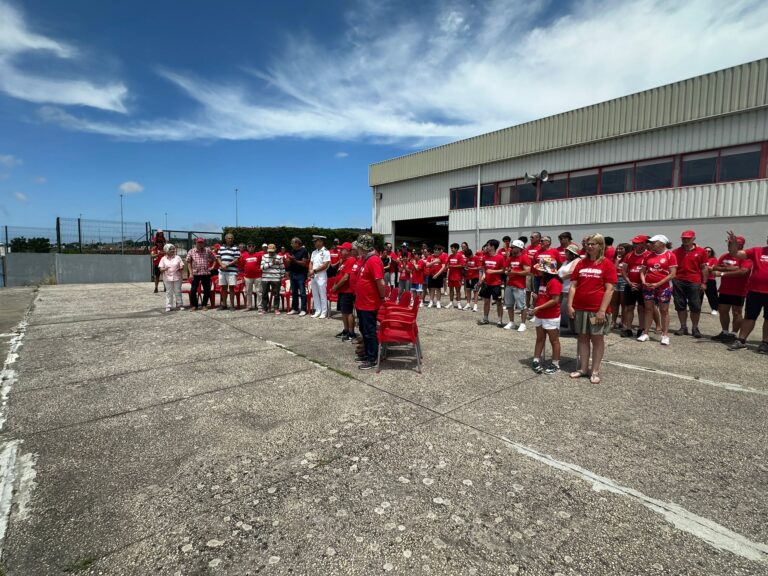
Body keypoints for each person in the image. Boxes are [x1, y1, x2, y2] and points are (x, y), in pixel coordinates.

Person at [567, 233, 617, 384]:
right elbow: (573, 286)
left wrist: (602, 310)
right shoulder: (581, 263)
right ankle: (583, 368)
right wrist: (569, 305)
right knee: (582, 338)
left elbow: (609, 289)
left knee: (597, 339)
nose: (589, 246)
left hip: (597, 309)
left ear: (600, 246)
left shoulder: (607, 264)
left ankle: (594, 370)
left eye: (593, 244)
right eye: (588, 244)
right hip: (580, 308)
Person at [726, 230, 768, 353]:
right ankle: (741, 341)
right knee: (750, 317)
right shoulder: (757, 251)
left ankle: (765, 343)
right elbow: (735, 254)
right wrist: (733, 243)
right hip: (755, 291)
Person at [353, 234, 386, 370]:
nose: (357, 249)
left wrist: (382, 298)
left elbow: (380, 282)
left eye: (359, 247)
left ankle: (372, 358)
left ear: (364, 247)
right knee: (364, 330)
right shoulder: (365, 259)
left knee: (369, 331)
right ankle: (368, 353)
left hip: (369, 303)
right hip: (362, 303)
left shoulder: (373, 260)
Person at [638, 235, 677, 345]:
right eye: (651, 242)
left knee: (664, 310)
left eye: (654, 242)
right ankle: (645, 333)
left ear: (662, 244)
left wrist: (657, 284)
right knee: (648, 309)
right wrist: (643, 281)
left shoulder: (670, 255)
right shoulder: (648, 255)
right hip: (648, 286)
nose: (652, 244)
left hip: (664, 287)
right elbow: (642, 271)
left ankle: (665, 335)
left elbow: (672, 274)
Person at [712, 235, 752, 342]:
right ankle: (725, 332)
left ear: (740, 245)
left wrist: (723, 272)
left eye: (731, 243)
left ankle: (733, 334)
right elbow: (715, 267)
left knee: (736, 312)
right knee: (723, 311)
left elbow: (742, 272)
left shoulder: (745, 257)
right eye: (728, 243)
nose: (729, 245)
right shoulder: (725, 256)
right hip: (725, 289)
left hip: (739, 290)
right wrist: (731, 268)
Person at [671, 230, 709, 338]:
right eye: (683, 238)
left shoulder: (701, 251)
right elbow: (673, 267)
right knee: (680, 305)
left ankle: (695, 328)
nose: (685, 240)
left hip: (694, 282)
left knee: (695, 306)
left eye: (688, 238)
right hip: (679, 281)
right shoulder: (676, 252)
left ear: (693, 239)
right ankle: (683, 327)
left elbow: (704, 268)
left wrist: (704, 282)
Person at [531, 258, 563, 374]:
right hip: (540, 314)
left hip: (551, 316)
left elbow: (555, 300)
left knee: (554, 340)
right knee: (540, 338)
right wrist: (536, 300)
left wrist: (539, 307)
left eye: (540, 269)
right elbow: (545, 297)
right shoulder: (543, 280)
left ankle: (555, 364)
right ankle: (536, 360)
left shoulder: (554, 282)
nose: (538, 271)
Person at [620, 235, 650, 337]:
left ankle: (641, 329)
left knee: (642, 308)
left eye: (636, 243)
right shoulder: (629, 255)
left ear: (643, 244)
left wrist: (642, 284)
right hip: (630, 285)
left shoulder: (649, 255)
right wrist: (629, 283)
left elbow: (650, 272)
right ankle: (628, 328)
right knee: (629, 307)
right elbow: (623, 270)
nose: (634, 245)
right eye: (633, 243)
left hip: (643, 286)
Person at [332, 242, 358, 341]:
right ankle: (346, 330)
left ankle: (351, 332)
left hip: (347, 290)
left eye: (342, 249)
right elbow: (340, 274)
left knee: (348, 312)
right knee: (344, 312)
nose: (340, 251)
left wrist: (336, 286)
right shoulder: (344, 261)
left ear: (347, 251)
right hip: (342, 290)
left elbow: (346, 277)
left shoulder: (350, 260)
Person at [476, 239, 506, 326]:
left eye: (488, 245)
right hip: (486, 283)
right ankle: (485, 319)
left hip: (496, 284)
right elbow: (485, 270)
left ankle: (500, 320)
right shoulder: (485, 257)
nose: (486, 247)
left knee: (498, 302)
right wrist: (482, 278)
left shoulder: (500, 257)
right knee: (486, 301)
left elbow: (503, 270)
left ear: (493, 246)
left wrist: (493, 272)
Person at [503, 240, 530, 331]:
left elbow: (527, 271)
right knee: (509, 305)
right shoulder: (510, 258)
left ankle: (523, 324)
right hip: (509, 284)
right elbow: (506, 269)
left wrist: (513, 272)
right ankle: (511, 322)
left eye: (513, 247)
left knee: (522, 306)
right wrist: (507, 272)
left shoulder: (524, 257)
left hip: (519, 285)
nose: (512, 248)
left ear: (519, 248)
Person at [185, 237, 215, 310]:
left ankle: (204, 305)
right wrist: (191, 273)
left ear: (203, 243)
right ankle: (194, 305)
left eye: (201, 242)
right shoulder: (191, 251)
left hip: (206, 273)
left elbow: (214, 259)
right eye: (199, 242)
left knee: (207, 290)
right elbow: (188, 262)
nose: (200, 244)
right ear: (196, 243)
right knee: (193, 290)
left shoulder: (207, 251)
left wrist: (212, 267)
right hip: (195, 274)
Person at [557, 243, 581, 333]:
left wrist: (559, 279)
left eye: (566, 252)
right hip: (562, 288)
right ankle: (569, 327)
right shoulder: (566, 261)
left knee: (569, 308)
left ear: (572, 253)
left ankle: (574, 329)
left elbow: (571, 272)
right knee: (563, 308)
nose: (565, 253)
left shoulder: (577, 260)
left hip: (569, 288)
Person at [284, 237, 309, 316]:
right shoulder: (292, 251)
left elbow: (304, 263)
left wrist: (294, 260)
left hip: (301, 274)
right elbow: (289, 264)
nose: (291, 244)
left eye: (292, 243)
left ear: (297, 243)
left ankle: (303, 309)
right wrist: (287, 261)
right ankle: (294, 308)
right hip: (293, 273)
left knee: (302, 292)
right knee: (294, 292)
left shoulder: (304, 251)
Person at [216, 233, 241, 310]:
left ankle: (232, 305)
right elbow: (218, 257)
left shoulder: (236, 248)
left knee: (231, 288)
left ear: (233, 239)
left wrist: (227, 265)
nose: (230, 239)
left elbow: (236, 259)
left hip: (232, 271)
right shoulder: (221, 247)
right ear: (225, 239)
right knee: (223, 288)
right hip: (222, 271)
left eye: (231, 238)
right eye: (228, 238)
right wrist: (221, 264)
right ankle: (224, 305)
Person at [309, 235, 331, 318]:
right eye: (314, 241)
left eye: (316, 241)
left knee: (322, 294)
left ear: (321, 241)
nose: (314, 243)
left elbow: (325, 265)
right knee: (315, 294)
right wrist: (310, 271)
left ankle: (323, 312)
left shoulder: (326, 251)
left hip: (321, 275)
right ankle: (317, 310)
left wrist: (314, 271)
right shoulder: (314, 252)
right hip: (313, 275)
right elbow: (311, 262)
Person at [158, 243, 184, 312]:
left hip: (177, 277)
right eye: (170, 249)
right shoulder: (163, 259)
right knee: (168, 292)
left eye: (173, 249)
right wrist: (165, 269)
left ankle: (179, 304)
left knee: (178, 291)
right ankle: (168, 306)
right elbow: (160, 269)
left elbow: (182, 266)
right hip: (167, 277)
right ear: (166, 250)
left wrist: (180, 268)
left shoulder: (177, 257)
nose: (172, 250)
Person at [260, 244, 284, 314]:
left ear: (275, 250)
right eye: (269, 251)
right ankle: (265, 308)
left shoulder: (279, 257)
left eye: (272, 251)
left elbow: (282, 268)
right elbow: (262, 267)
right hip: (265, 278)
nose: (271, 253)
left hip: (276, 278)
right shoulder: (264, 256)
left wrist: (281, 278)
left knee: (276, 294)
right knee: (264, 293)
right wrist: (271, 263)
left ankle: (276, 308)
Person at [610, 243, 630, 328]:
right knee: (614, 303)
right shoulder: (615, 259)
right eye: (618, 249)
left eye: (621, 249)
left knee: (624, 303)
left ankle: (623, 322)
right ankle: (613, 322)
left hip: (624, 281)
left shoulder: (629, 258)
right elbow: (612, 270)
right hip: (615, 280)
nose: (618, 250)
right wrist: (617, 261)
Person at [242, 242, 262, 311]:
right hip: (247, 277)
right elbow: (241, 265)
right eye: (249, 246)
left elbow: (261, 263)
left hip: (257, 276)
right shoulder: (244, 255)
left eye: (252, 246)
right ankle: (249, 306)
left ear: (254, 247)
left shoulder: (258, 255)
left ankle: (260, 306)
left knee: (259, 292)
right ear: (247, 247)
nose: (251, 247)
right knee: (248, 292)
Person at [524, 232, 542, 309]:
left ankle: (534, 307)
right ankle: (526, 306)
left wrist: (530, 257)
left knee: (536, 291)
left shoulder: (540, 247)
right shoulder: (528, 247)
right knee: (527, 290)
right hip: (529, 272)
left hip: (537, 273)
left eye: (532, 237)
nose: (530, 239)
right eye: (530, 237)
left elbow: (540, 259)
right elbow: (524, 257)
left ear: (538, 238)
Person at [445, 243, 465, 309]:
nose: (451, 249)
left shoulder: (459, 256)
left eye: (453, 248)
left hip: (457, 276)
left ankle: (459, 303)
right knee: (451, 290)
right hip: (450, 276)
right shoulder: (450, 256)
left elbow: (462, 265)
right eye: (451, 248)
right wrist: (447, 266)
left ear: (456, 249)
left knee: (458, 290)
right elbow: (447, 264)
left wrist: (452, 266)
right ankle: (451, 303)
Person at [462, 247, 480, 312]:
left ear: (471, 254)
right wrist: (465, 268)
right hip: (468, 277)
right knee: (468, 290)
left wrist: (472, 269)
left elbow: (479, 267)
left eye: (469, 256)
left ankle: (475, 305)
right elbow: (465, 266)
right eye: (467, 256)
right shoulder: (467, 259)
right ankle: (468, 304)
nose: (468, 257)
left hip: (475, 277)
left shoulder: (476, 258)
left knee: (475, 291)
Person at [703, 246, 719, 314]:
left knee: (711, 295)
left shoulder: (714, 259)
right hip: (700, 279)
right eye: (705, 251)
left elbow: (712, 268)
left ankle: (714, 308)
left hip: (710, 279)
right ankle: (695, 308)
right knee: (698, 295)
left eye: (709, 251)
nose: (707, 252)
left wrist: (705, 267)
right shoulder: (701, 259)